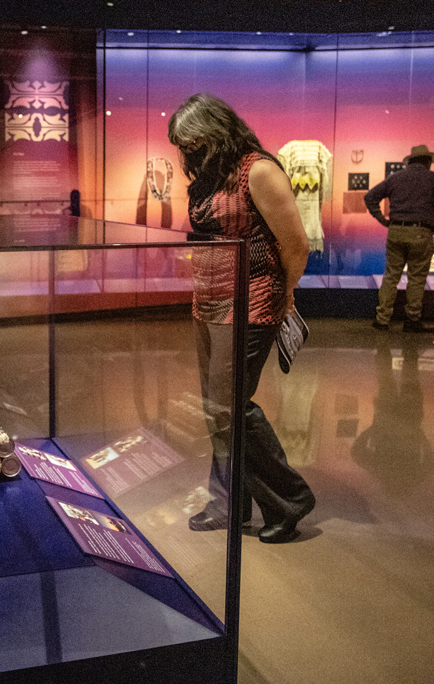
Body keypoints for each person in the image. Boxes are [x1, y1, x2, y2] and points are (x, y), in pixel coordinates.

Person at [168, 93, 316, 544]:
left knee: (230, 405)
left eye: (192, 141)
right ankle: (227, 503)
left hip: (252, 299)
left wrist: (285, 293)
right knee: (218, 407)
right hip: (209, 299)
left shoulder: (260, 170)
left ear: (215, 131)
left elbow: (295, 244)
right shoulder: (214, 176)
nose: (187, 151)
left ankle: (288, 500)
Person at [365, 144, 434, 333]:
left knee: (390, 277)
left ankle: (382, 320)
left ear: (410, 161)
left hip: (396, 231)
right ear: (428, 161)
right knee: (416, 278)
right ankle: (412, 319)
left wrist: (383, 220)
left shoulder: (395, 178)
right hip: (420, 232)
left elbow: (370, 197)